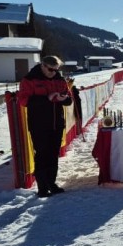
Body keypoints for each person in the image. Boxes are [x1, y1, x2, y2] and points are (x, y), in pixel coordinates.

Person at [18, 56, 73, 197]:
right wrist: (47, 98)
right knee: (42, 155)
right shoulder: (29, 79)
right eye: (50, 69)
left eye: (56, 70)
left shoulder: (59, 80)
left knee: (53, 155)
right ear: (42, 65)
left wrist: (64, 98)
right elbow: (24, 100)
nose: (53, 72)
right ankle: (42, 188)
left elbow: (69, 100)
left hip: (57, 123)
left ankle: (51, 183)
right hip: (39, 125)